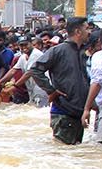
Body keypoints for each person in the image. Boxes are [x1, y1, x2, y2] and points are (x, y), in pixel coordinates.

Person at [30, 17, 91, 145]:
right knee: (65, 154)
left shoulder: (83, 52)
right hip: (63, 113)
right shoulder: (58, 51)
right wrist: (51, 90)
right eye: (86, 28)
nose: (89, 32)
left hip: (78, 112)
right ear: (77, 32)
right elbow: (35, 70)